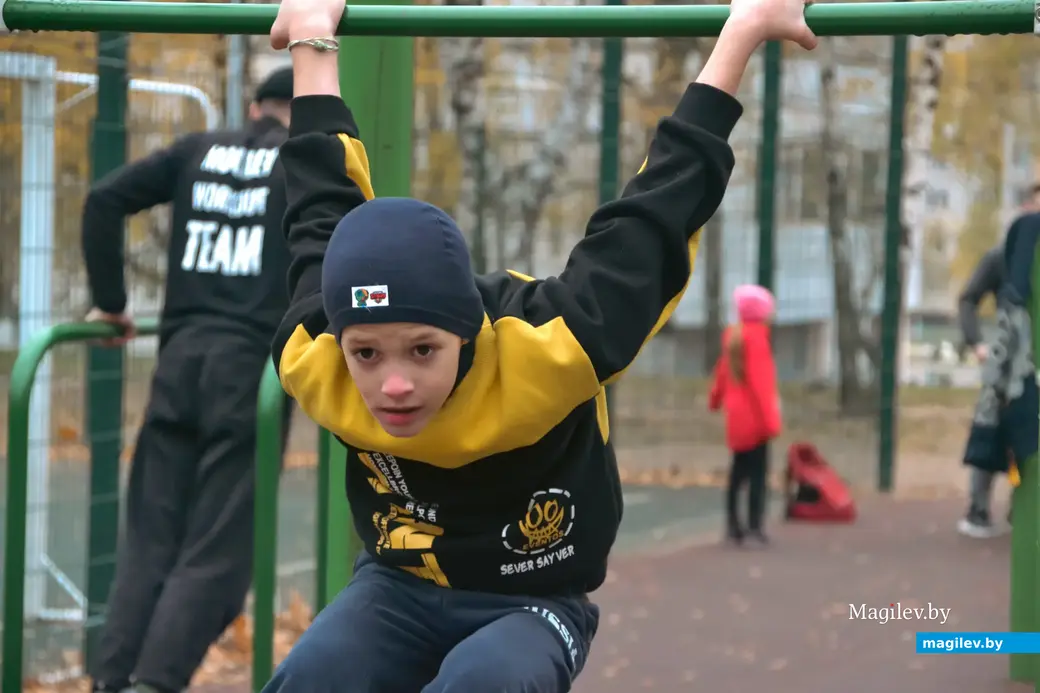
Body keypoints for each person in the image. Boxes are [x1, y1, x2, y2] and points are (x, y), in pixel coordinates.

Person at [261, 0, 816, 688]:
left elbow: (653, 215)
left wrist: (744, 31)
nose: (393, 383)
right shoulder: (319, 352)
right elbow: (318, 201)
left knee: (486, 678)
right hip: (399, 585)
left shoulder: (550, 346)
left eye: (423, 350)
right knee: (315, 675)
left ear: (466, 334)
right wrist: (312, 34)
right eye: (367, 353)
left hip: (531, 599)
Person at [81, 67, 295, 693]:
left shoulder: (197, 149)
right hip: (250, 373)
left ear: (255, 108)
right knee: (219, 555)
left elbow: (103, 199)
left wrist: (112, 301)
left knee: (150, 541)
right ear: (298, 112)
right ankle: (155, 682)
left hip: (179, 361)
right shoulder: (302, 162)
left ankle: (111, 680)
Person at [956, 186, 1039, 538]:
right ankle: (978, 509)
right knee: (994, 428)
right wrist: (977, 343)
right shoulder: (1002, 256)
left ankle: (1021, 509)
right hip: (1011, 360)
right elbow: (969, 298)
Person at [708, 284, 781, 546]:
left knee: (738, 473)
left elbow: (721, 374)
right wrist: (771, 422)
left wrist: (714, 400)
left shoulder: (733, 337)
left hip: (736, 419)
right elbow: (761, 386)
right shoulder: (758, 339)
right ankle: (755, 525)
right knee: (758, 474)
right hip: (756, 421)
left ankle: (732, 524)